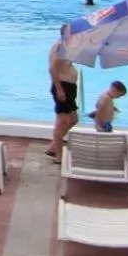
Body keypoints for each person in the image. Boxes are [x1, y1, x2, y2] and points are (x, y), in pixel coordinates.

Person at [48, 26, 80, 159]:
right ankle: (58, 155)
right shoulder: (60, 46)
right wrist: (59, 89)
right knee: (62, 121)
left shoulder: (67, 46)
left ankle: (53, 147)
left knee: (73, 119)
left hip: (69, 87)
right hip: (63, 87)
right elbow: (52, 69)